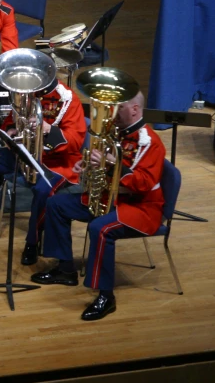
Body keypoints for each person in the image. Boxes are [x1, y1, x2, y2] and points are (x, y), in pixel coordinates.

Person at [32, 92, 166, 321]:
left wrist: (112, 164)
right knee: (56, 204)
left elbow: (143, 184)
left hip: (139, 208)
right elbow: (103, 167)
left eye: (119, 107)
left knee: (100, 229)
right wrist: (89, 164)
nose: (112, 112)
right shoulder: (116, 133)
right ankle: (65, 269)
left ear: (134, 109)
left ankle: (106, 296)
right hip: (111, 198)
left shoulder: (150, 142)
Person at [0, 78, 87, 266]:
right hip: (24, 154)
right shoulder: (27, 93)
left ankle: (32, 242)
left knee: (43, 190)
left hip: (56, 162)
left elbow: (76, 141)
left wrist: (49, 129)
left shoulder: (67, 99)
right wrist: (10, 131)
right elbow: (11, 120)